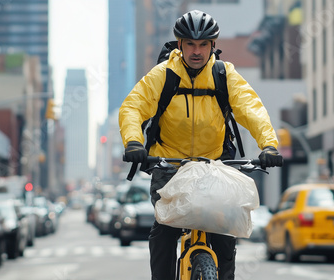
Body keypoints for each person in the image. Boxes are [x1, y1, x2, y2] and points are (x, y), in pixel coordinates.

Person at [119, 10, 283, 280]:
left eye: (203, 44)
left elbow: (250, 109)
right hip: (169, 166)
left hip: (213, 165)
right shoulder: (163, 75)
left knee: (223, 235)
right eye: (191, 44)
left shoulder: (224, 74)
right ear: (180, 45)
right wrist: (134, 142)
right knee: (164, 230)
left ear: (213, 46)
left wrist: (269, 146)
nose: (197, 51)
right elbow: (133, 107)